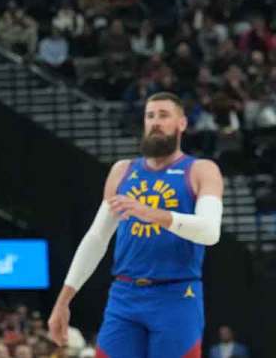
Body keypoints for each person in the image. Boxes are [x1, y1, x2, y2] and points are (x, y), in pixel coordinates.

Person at [47, 92, 223, 357]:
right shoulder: (122, 170)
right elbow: (96, 238)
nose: (155, 122)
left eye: (163, 115)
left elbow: (210, 232)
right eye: (150, 116)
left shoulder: (201, 169)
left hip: (177, 295)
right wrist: (63, 300)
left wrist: (154, 213)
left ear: (182, 124)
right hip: (125, 294)